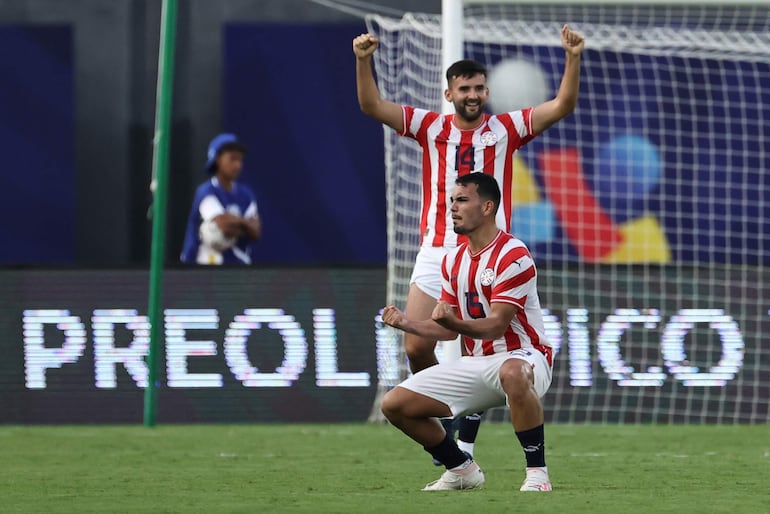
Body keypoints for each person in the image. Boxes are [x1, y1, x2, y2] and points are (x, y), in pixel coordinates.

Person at [353, 25, 584, 458]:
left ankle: (474, 421)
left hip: (486, 254)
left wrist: (572, 58)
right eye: (465, 88)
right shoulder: (429, 127)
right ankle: (459, 418)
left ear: (487, 91)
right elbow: (371, 105)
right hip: (437, 251)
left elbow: (562, 105)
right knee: (416, 345)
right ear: (449, 94)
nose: (473, 95)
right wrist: (363, 60)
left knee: (482, 340)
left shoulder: (506, 128)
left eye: (479, 87)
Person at [380, 173, 555, 491]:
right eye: (451, 201)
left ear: (487, 207)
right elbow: (445, 331)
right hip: (477, 364)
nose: (453, 208)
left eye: (462, 200)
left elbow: (496, 325)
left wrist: (453, 323)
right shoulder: (452, 260)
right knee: (394, 404)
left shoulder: (513, 254)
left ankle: (537, 474)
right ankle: (462, 469)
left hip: (525, 358)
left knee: (513, 371)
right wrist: (408, 324)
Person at [181, 133, 262, 265]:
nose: (238, 165)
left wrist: (233, 221)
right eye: (232, 159)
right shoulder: (206, 191)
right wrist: (245, 223)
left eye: (240, 160)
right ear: (217, 159)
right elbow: (223, 226)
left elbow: (255, 232)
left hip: (239, 268)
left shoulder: (246, 194)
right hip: (202, 269)